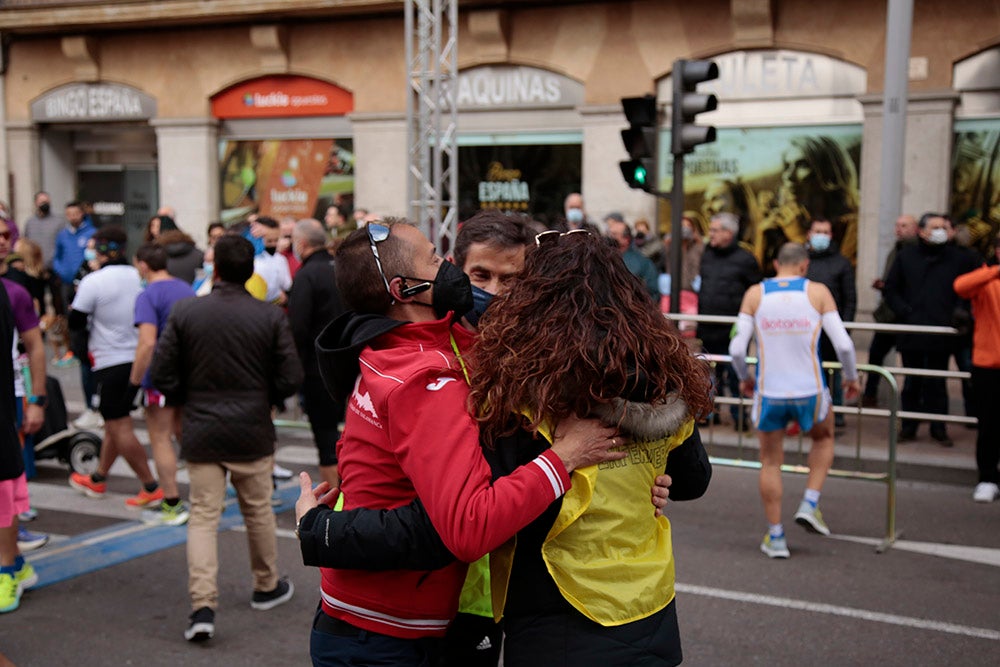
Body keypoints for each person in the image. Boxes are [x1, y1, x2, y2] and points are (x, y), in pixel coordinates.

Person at [299, 219, 624, 665]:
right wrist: (564, 457)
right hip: (386, 630)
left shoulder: (422, 343)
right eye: (435, 259)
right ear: (404, 289)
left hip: (403, 612)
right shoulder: (424, 378)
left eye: (512, 280)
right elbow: (468, 525)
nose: (447, 267)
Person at [151, 234, 303, 642]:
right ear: (250, 270)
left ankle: (202, 605)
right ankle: (266, 585)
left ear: (214, 268)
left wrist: (187, 396)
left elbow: (162, 373)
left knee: (203, 516)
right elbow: (291, 376)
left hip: (202, 427)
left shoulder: (186, 312)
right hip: (252, 427)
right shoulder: (269, 316)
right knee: (258, 510)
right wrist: (265, 397)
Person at [729, 243, 860, 559]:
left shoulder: (755, 294)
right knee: (824, 438)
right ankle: (810, 503)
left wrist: (744, 376)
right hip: (810, 390)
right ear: (804, 265)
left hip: (770, 391)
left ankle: (776, 537)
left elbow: (736, 348)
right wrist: (851, 376)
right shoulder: (818, 292)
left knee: (770, 461)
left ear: (776, 264)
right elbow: (844, 345)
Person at [67, 227, 162, 507]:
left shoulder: (93, 281)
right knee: (114, 423)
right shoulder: (137, 276)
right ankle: (98, 477)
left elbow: (75, 321)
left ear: (100, 250)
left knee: (119, 426)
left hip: (110, 360)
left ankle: (150, 485)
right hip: (139, 357)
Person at [882, 213, 979, 446]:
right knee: (912, 382)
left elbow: (968, 290)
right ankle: (909, 427)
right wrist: (905, 311)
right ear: (922, 231)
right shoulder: (906, 256)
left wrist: (959, 312)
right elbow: (891, 289)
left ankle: (939, 428)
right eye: (935, 227)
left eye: (943, 227)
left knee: (938, 382)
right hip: (912, 331)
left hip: (942, 333)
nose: (940, 231)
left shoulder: (958, 259)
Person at [129, 244, 195, 525]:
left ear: (144, 265)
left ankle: (172, 503)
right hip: (189, 371)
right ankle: (207, 494)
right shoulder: (186, 288)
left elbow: (147, 343)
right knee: (184, 432)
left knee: (160, 437)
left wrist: (134, 381)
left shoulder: (148, 295)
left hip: (161, 375)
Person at [0, 278, 47, 613]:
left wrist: (37, 399)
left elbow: (35, 346)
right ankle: (16, 564)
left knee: (4, 486)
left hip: (7, 401)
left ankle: (6, 570)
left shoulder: (11, 292)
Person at [287, 219, 344, 488]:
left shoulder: (306, 275)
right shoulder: (342, 269)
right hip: (352, 363)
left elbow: (297, 326)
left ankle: (335, 501)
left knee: (326, 438)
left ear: (301, 244)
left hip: (318, 368)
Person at [755, 136, 860, 271]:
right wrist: (762, 238)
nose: (789, 176)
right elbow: (756, 275)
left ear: (828, 172)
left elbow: (832, 274)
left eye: (802, 165)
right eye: (787, 166)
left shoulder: (852, 224)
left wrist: (797, 237)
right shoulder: (792, 219)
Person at [698, 212, 761, 430]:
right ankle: (709, 413)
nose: (711, 234)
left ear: (729, 233)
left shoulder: (746, 259)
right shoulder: (707, 255)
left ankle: (739, 415)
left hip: (733, 329)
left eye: (715, 230)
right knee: (708, 375)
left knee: (735, 374)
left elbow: (754, 292)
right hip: (707, 326)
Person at [953, 235, 1000, 502]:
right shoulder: (986, 279)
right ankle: (987, 478)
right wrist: (995, 271)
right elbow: (960, 286)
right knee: (989, 426)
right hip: (988, 365)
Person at [804, 218, 856, 428]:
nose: (821, 236)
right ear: (809, 234)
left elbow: (850, 298)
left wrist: (846, 327)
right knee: (808, 373)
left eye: (825, 232)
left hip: (831, 329)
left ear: (831, 235)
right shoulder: (802, 261)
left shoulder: (841, 263)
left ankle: (836, 414)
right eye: (818, 231)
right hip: (805, 330)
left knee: (833, 374)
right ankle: (809, 414)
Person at [863, 214, 918, 407]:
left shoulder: (915, 253)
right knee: (875, 355)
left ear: (915, 229)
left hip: (905, 316)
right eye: (897, 225)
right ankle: (869, 395)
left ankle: (911, 405)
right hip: (888, 315)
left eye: (904, 226)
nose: (898, 229)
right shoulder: (896, 250)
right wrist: (884, 286)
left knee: (911, 363)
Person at [606, 215, 660, 300]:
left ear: (626, 239)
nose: (609, 237)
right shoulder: (603, 259)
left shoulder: (642, 263)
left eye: (614, 234)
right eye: (608, 233)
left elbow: (653, 292)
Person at [52, 201, 95, 300]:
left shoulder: (91, 233)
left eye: (75, 213)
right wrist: (60, 271)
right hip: (66, 281)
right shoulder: (62, 235)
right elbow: (57, 256)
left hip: (85, 281)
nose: (73, 217)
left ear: (81, 213)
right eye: (69, 214)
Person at [252, 216, 292, 305]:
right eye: (269, 241)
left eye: (276, 240)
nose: (273, 244)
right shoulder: (250, 259)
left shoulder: (280, 259)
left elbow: (287, 285)